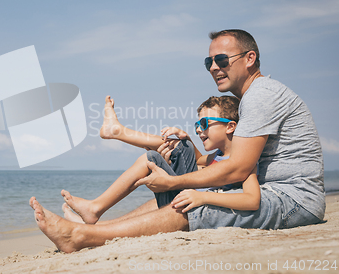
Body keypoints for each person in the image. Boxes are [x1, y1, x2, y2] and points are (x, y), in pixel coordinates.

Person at [29, 29, 325, 253]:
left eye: (221, 59)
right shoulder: (252, 98)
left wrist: (173, 184)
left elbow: (238, 169)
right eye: (208, 61)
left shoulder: (261, 95)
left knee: (194, 204)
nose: (213, 67)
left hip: (294, 200)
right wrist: (189, 152)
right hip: (267, 188)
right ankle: (97, 221)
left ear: (249, 59)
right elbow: (226, 162)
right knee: (177, 155)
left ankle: (81, 236)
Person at [60, 95, 260, 226]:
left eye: (205, 123)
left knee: (152, 158)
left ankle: (95, 207)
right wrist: (186, 138)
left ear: (230, 126)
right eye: (197, 124)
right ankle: (117, 132)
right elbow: (197, 159)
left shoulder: (243, 161)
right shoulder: (216, 157)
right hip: (186, 201)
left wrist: (203, 197)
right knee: (181, 145)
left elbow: (252, 200)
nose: (199, 129)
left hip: (191, 212)